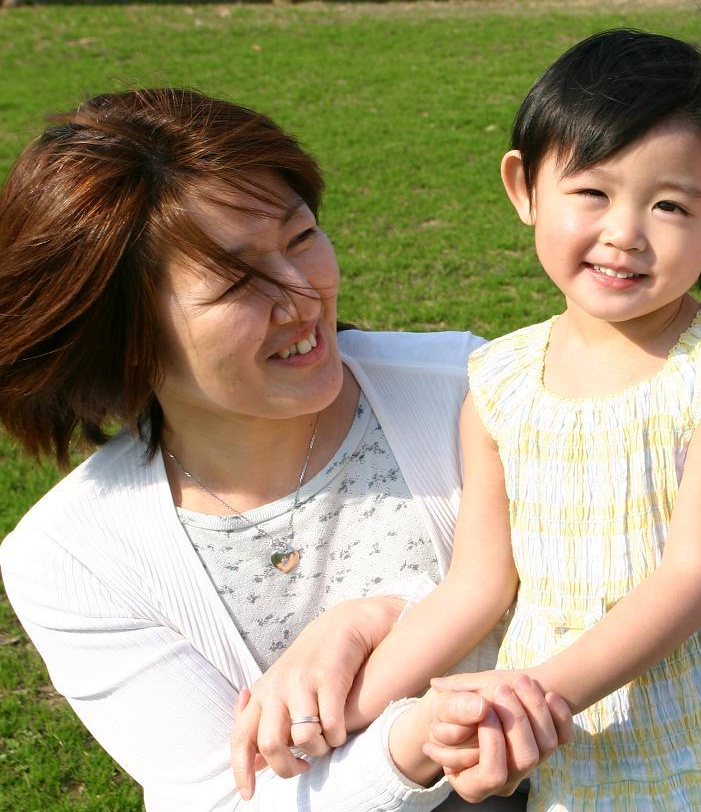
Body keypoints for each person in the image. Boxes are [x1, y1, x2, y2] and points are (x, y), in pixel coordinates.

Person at [237, 30, 701, 810]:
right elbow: (477, 585)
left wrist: (535, 696)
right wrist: (343, 712)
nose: (625, 232)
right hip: (569, 756)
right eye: (593, 192)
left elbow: (689, 582)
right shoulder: (500, 381)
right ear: (525, 188)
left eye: (671, 204)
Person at [0, 88, 569, 811]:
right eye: (240, 280)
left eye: (301, 238)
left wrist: (374, 620)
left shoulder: (468, 387)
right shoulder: (72, 557)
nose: (302, 294)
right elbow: (226, 800)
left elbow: (610, 584)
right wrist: (416, 738)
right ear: (122, 338)